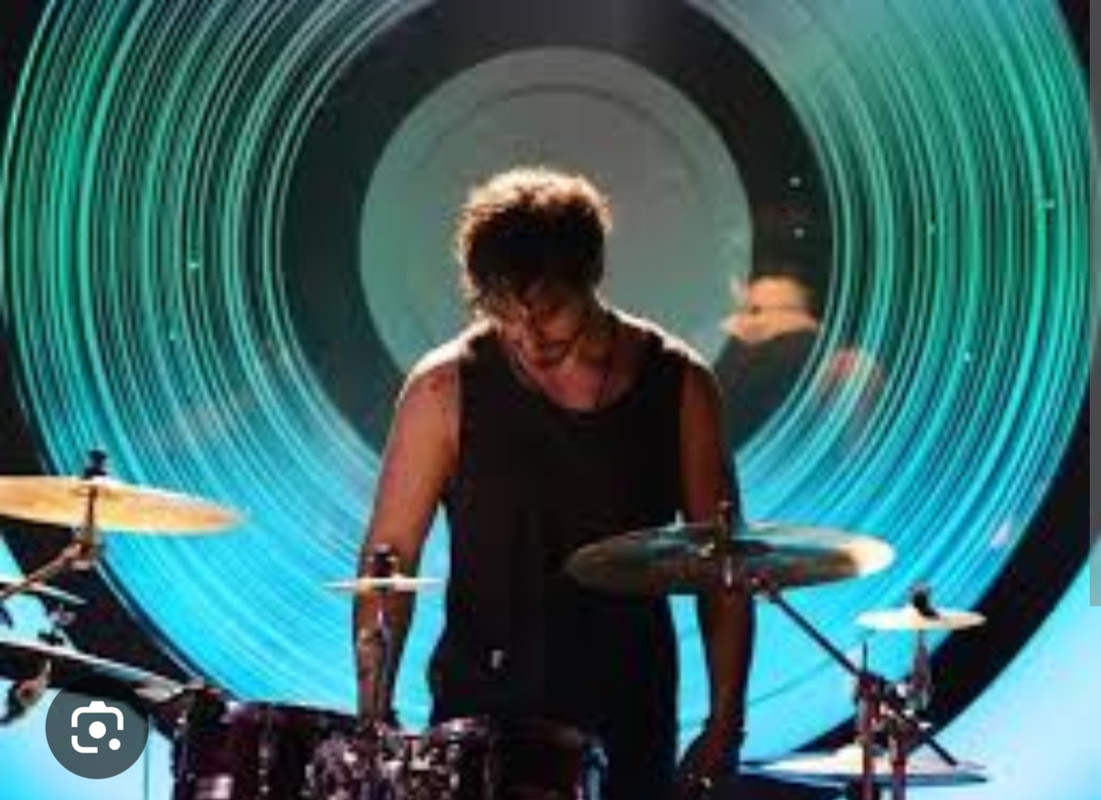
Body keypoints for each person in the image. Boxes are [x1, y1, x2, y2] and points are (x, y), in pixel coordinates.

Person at [353, 167, 754, 800]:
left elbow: (725, 569)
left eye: (549, 312)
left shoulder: (680, 384)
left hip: (629, 729)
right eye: (505, 314)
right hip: (482, 734)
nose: (529, 335)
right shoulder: (442, 389)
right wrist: (373, 713)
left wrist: (725, 724)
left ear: (590, 275)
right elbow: (389, 559)